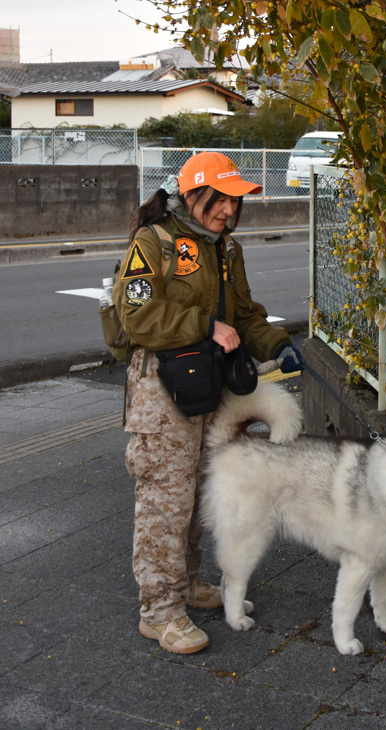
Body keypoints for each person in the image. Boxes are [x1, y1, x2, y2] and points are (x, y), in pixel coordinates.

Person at [113, 151, 304, 655]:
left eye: (235, 203)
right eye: (221, 200)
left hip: (206, 388)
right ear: (194, 194)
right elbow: (136, 315)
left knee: (199, 495)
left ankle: (188, 584)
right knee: (164, 503)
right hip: (161, 393)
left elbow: (244, 314)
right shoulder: (153, 242)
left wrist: (276, 344)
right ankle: (159, 611)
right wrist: (203, 325)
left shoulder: (226, 250)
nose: (228, 212)